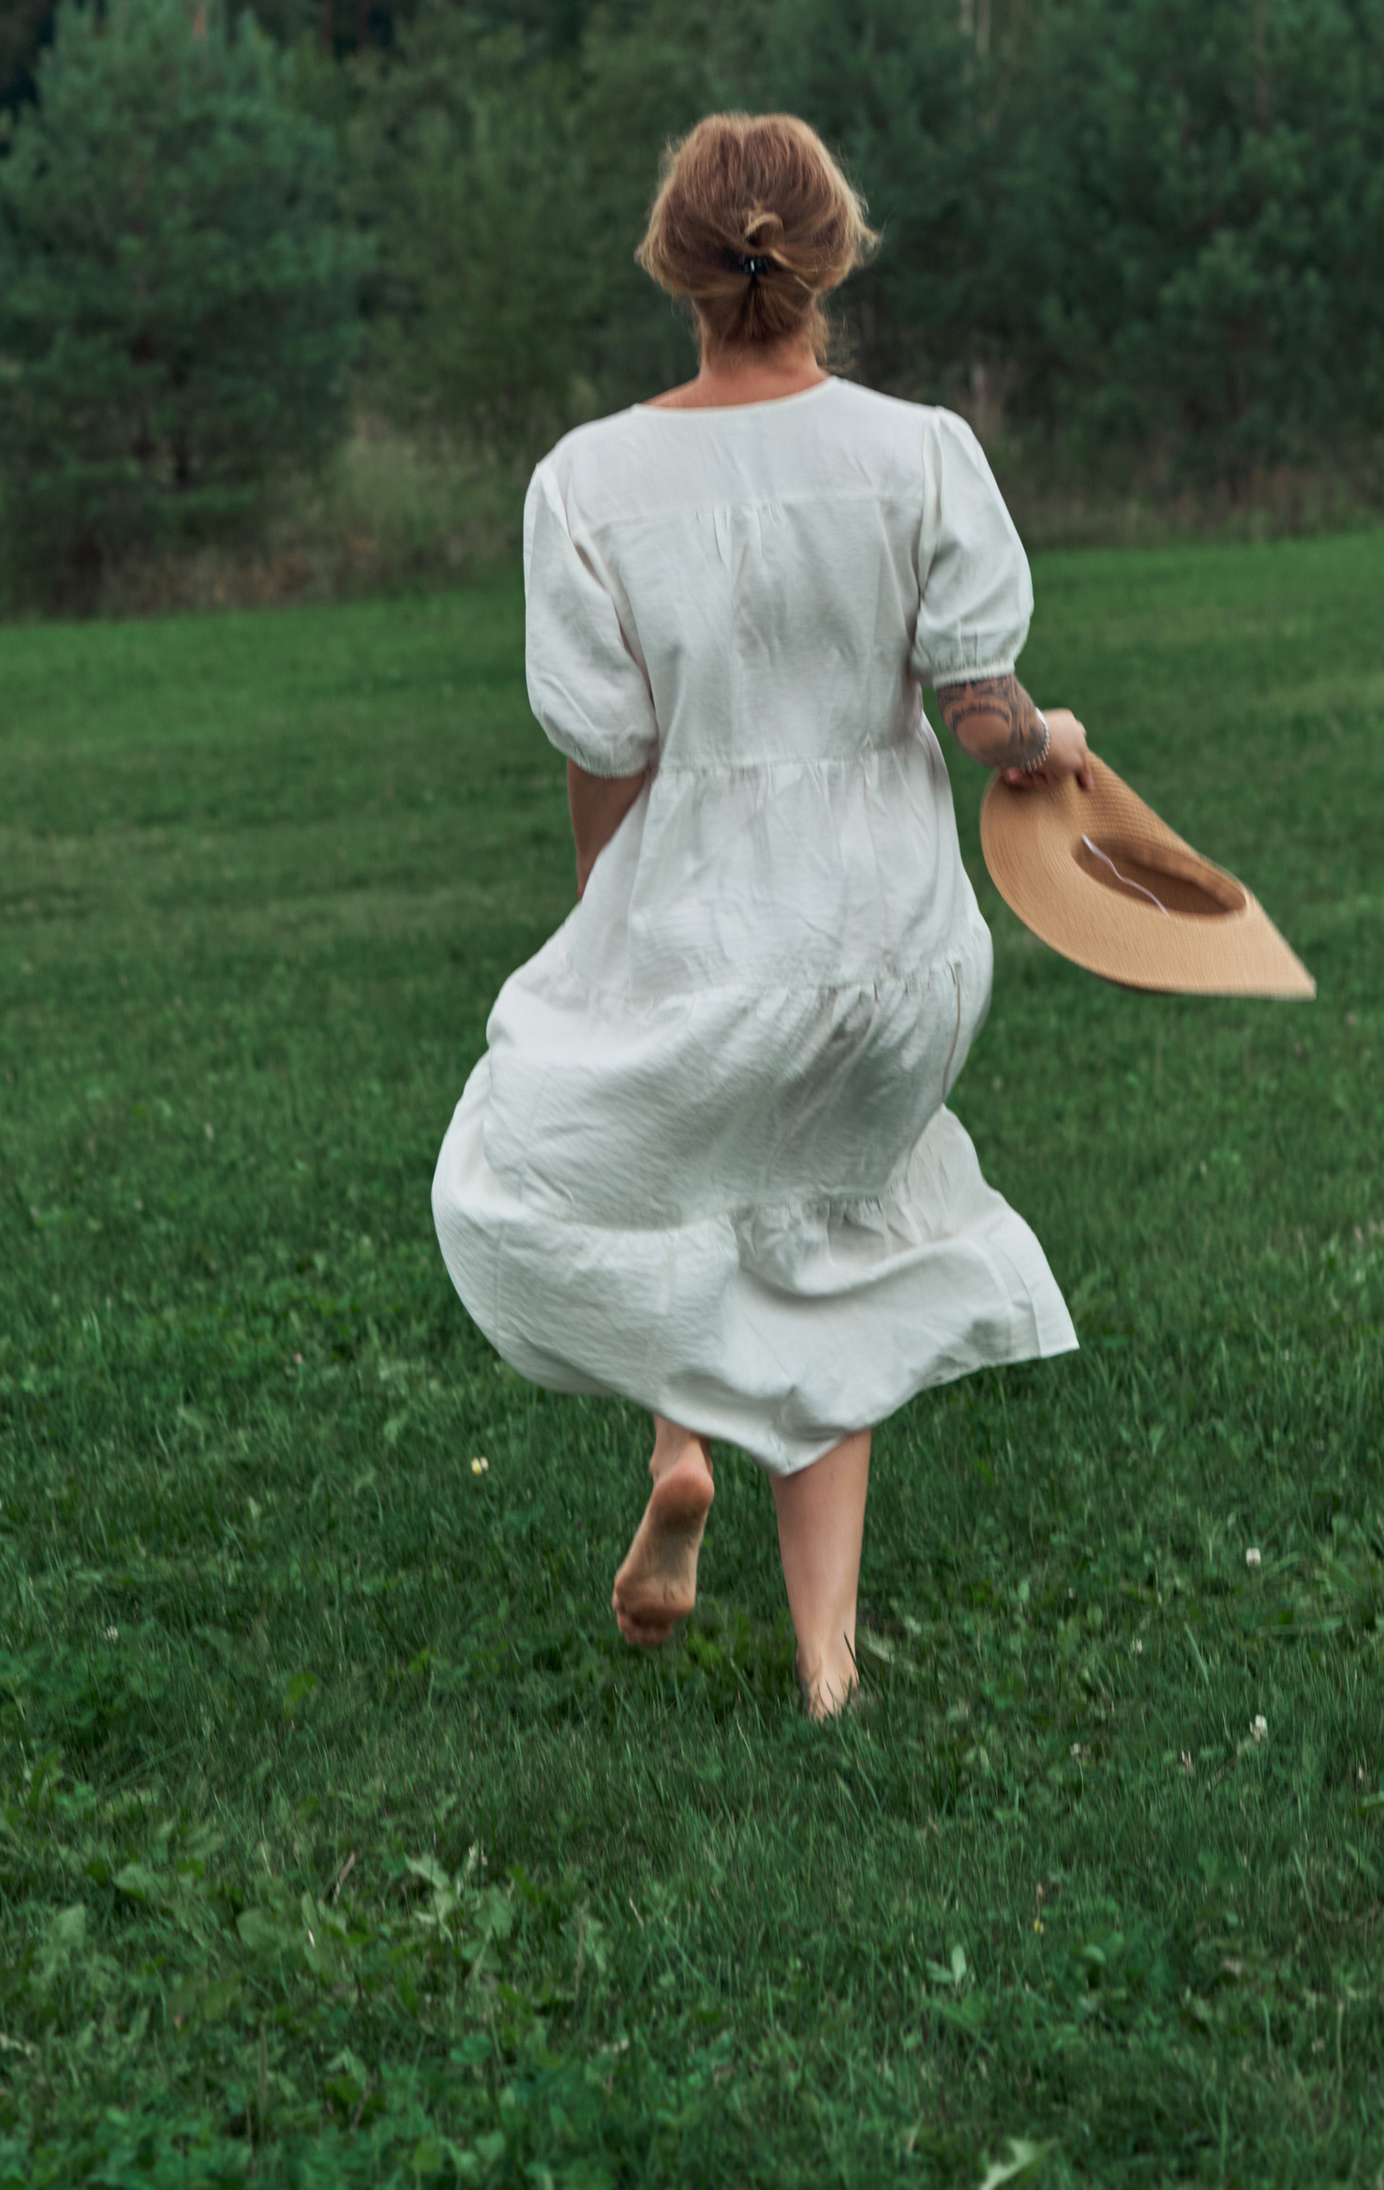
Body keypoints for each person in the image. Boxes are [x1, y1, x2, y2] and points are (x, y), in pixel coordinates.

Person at [431, 111, 1092, 1715]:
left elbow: (605, 750)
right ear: (835, 254)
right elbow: (982, 706)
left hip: (707, 916)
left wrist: (617, 919)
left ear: (675, 266)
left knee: (634, 1166)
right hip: (888, 948)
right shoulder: (921, 447)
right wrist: (1050, 745)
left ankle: (678, 1441)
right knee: (828, 1247)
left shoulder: (587, 480)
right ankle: (826, 1667)